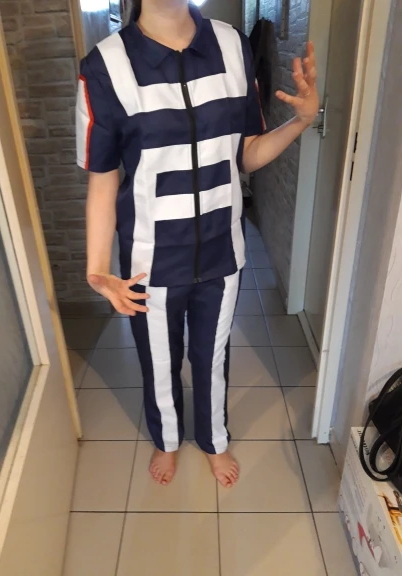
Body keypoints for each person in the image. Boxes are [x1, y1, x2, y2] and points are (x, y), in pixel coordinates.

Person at [76, 0, 319, 488]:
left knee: (212, 356)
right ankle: (167, 439)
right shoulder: (103, 66)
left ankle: (213, 439)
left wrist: (300, 122)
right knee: (158, 361)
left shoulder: (232, 46)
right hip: (149, 259)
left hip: (222, 250)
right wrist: (97, 268)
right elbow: (103, 178)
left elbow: (245, 154)